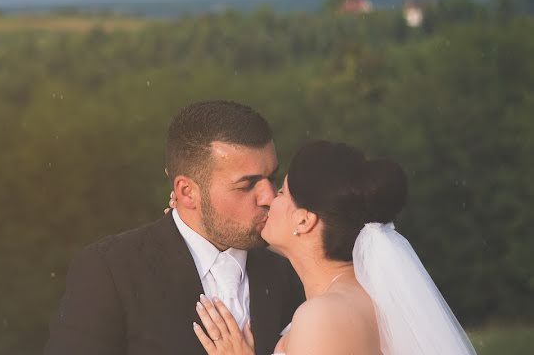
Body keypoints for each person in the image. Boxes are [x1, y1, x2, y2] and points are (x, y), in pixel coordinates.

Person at [44, 101, 304, 355]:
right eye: (246, 185)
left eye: (271, 178)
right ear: (187, 192)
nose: (269, 196)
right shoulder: (111, 270)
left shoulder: (289, 276)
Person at [190, 140, 477, 355]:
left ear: (304, 221)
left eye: (281, 193)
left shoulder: (322, 316)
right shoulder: (362, 298)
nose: (268, 200)